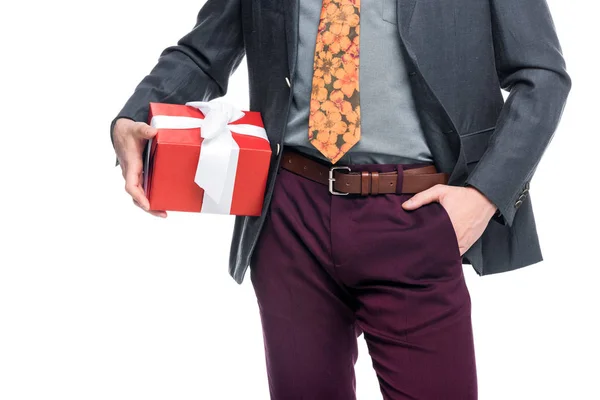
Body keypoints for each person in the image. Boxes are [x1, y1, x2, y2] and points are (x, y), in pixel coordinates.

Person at [110, 0, 570, 398]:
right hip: (290, 215)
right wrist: (134, 116)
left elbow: (541, 75)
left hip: (416, 215)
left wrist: (484, 195)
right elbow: (203, 54)